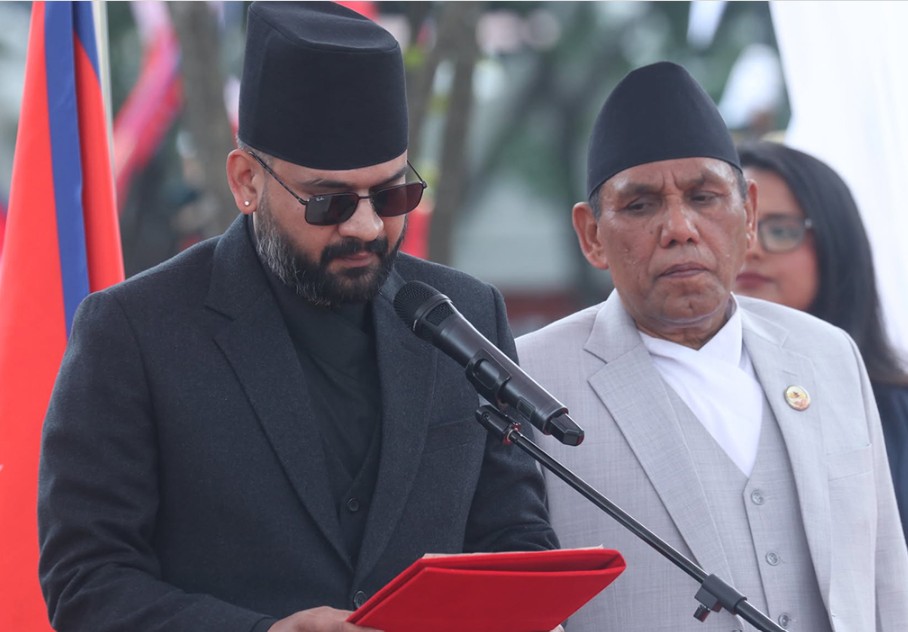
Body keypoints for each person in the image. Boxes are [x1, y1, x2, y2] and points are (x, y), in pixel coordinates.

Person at [37, 3, 558, 631]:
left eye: (392, 194)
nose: (366, 226)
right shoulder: (133, 332)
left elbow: (516, 539)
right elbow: (87, 582)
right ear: (246, 182)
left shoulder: (466, 314)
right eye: (328, 202)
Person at [516, 61, 908, 631]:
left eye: (704, 197)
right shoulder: (529, 380)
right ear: (592, 235)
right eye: (641, 205)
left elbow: (887, 581)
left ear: (749, 215)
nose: (680, 228)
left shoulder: (827, 355)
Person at [734, 139, 908, 546]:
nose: (750, 248)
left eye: (780, 230)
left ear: (835, 243)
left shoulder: (898, 414)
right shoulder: (695, 402)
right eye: (735, 228)